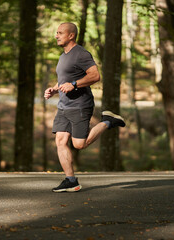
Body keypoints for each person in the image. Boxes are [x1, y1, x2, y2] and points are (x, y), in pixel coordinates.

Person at [44, 22, 125, 193]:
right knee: (60, 141)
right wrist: (54, 89)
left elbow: (95, 75)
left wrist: (74, 84)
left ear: (71, 35)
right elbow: (65, 80)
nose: (56, 35)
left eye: (60, 33)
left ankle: (108, 121)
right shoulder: (63, 56)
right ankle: (71, 180)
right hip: (64, 106)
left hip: (80, 105)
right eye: (56, 32)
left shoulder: (81, 54)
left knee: (79, 144)